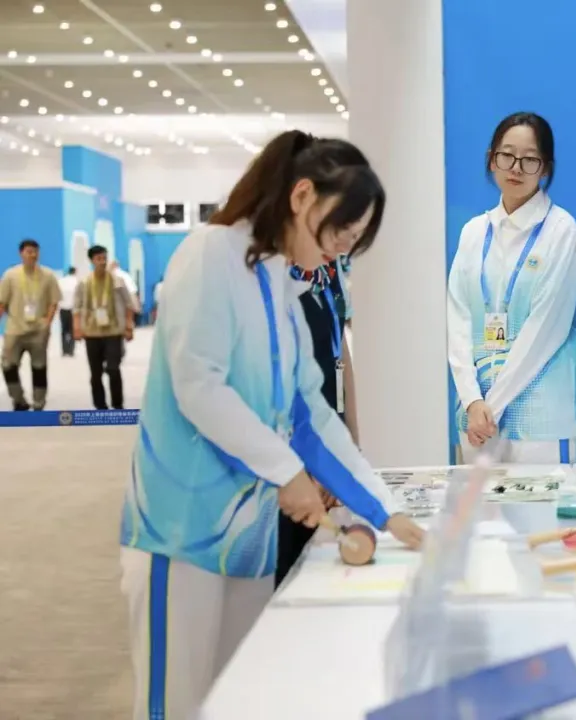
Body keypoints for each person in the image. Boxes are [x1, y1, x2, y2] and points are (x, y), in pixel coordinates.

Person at [118, 130, 425, 720]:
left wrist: (386, 511)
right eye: (341, 232)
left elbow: (308, 413)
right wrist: (287, 473)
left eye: (353, 242)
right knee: (176, 704)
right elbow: (199, 387)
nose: (340, 251)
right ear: (302, 195)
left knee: (240, 701)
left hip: (249, 539)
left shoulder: (282, 284)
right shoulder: (210, 254)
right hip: (179, 532)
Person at [446, 112, 576, 464]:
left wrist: (490, 405)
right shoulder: (473, 232)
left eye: (530, 159)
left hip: (538, 424)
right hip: (475, 422)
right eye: (507, 155)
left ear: (545, 168)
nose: (516, 168)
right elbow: (457, 321)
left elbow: (546, 329)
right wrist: (472, 401)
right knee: (474, 503)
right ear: (492, 159)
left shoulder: (560, 229)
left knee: (544, 505)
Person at [276, 251, 358, 587]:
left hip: (327, 443)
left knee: (321, 570)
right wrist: (305, 467)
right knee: (286, 571)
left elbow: (342, 358)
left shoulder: (329, 271)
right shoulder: (274, 273)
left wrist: (351, 449)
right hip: (291, 461)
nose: (344, 242)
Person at [0, 239, 61, 410]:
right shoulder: (10, 275)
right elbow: (2, 302)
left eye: (35, 251)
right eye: (28, 252)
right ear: (21, 254)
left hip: (38, 331)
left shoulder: (48, 276)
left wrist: (47, 322)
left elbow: (53, 301)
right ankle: (18, 399)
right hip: (15, 329)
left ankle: (39, 402)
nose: (32, 255)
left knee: (39, 367)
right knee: (7, 365)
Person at [73, 245, 135, 409]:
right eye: (98, 259)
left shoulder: (117, 281)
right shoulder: (84, 283)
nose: (102, 262)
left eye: (104, 258)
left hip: (113, 332)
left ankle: (117, 405)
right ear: (92, 261)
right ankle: (100, 406)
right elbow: (76, 307)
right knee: (96, 372)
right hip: (92, 333)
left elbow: (129, 304)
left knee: (113, 368)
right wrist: (77, 328)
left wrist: (129, 326)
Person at [57, 266, 78, 356]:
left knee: (64, 330)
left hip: (63, 308)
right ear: (75, 272)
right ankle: (71, 350)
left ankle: (64, 350)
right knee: (72, 330)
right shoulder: (76, 282)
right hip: (73, 309)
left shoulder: (61, 281)